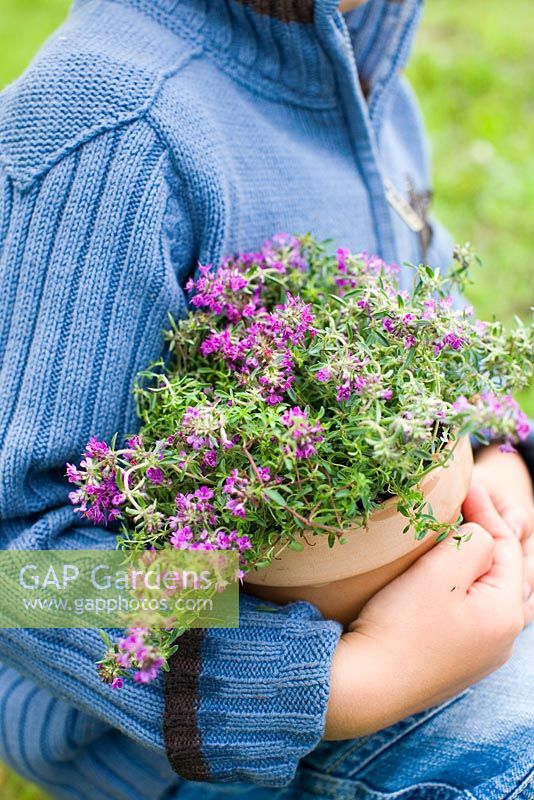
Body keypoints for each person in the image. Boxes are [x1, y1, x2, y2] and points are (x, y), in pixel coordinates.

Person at [0, 0, 532, 798]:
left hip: (428, 593)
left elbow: (415, 329)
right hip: (191, 731)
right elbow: (23, 566)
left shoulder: (352, 56)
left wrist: (494, 457)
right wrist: (354, 682)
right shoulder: (114, 124)